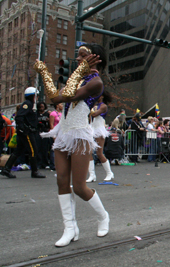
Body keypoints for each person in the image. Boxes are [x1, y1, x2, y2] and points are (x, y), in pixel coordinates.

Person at [34, 43, 110, 246]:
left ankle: (103, 216)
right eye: (78, 55)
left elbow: (66, 96)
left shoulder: (96, 83)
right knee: (61, 181)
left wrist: (77, 72)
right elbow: (55, 97)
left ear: (96, 59)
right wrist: (44, 73)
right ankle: (70, 228)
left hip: (80, 135)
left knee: (78, 186)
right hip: (63, 134)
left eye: (83, 55)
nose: (78, 59)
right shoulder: (75, 79)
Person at [0, 87, 46, 179]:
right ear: (32, 96)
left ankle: (6, 169)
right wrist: (22, 128)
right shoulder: (27, 104)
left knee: (18, 151)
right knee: (33, 150)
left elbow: (29, 118)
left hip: (27, 131)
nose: (37, 98)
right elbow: (19, 117)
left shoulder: (31, 105)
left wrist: (38, 124)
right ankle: (34, 171)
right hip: (27, 132)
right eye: (36, 96)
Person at [86, 90, 114, 182]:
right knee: (89, 153)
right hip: (91, 129)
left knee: (99, 153)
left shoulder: (103, 106)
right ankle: (92, 175)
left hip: (99, 129)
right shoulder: (93, 105)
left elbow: (94, 114)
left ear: (101, 96)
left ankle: (109, 173)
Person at [36, 102, 51, 169]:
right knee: (38, 148)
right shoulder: (36, 114)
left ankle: (45, 163)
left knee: (45, 148)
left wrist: (48, 120)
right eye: (40, 106)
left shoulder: (47, 114)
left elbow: (50, 122)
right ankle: (38, 163)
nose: (42, 108)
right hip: (38, 131)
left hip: (45, 131)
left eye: (43, 106)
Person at [49, 103, 63, 170]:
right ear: (57, 105)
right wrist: (53, 134)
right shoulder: (53, 114)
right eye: (61, 104)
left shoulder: (62, 113)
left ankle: (60, 163)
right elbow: (51, 124)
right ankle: (53, 164)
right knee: (54, 148)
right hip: (55, 132)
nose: (62, 106)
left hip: (61, 133)